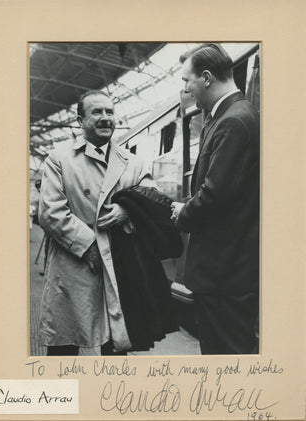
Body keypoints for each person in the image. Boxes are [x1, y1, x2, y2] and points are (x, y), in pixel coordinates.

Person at [38, 89, 157, 356]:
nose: (105, 118)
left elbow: (152, 198)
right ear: (80, 121)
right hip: (74, 264)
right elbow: (50, 211)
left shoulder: (133, 162)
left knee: (115, 347)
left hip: (119, 266)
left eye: (110, 112)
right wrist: (89, 245)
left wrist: (128, 209)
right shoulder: (59, 158)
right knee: (64, 347)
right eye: (97, 112)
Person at [171, 44, 259, 354]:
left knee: (226, 359)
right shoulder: (229, 116)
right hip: (226, 274)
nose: (185, 89)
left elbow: (215, 194)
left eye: (187, 80)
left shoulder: (233, 121)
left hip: (226, 276)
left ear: (206, 77)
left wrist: (183, 211)